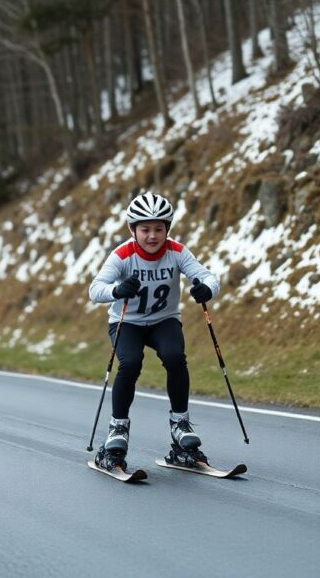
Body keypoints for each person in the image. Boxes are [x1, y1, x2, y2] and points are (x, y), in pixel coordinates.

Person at [88, 193, 221, 470]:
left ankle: (180, 425)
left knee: (175, 356)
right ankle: (117, 429)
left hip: (164, 320)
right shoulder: (122, 255)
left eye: (159, 229)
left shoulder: (177, 251)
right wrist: (116, 290)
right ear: (132, 230)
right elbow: (95, 290)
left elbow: (208, 276)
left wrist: (206, 289)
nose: (152, 236)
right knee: (131, 363)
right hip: (128, 323)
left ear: (167, 229)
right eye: (145, 229)